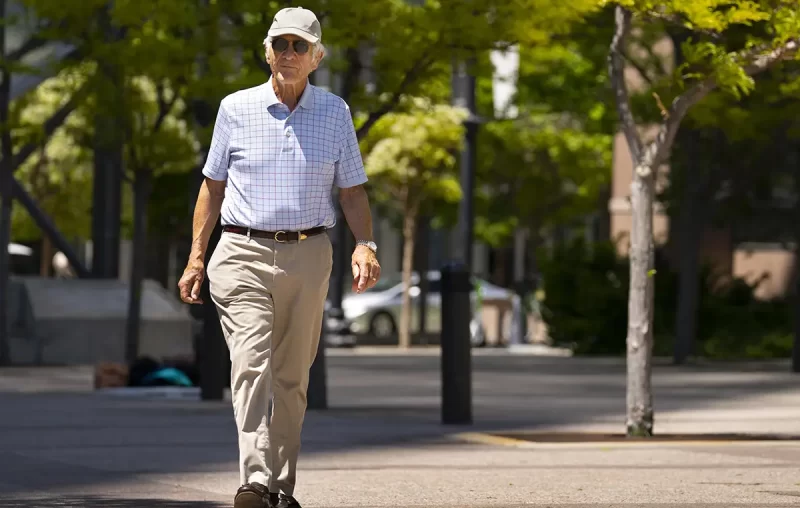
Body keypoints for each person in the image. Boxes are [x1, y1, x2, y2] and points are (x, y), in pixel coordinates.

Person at [177, 7, 381, 508]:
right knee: (250, 365)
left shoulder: (335, 113)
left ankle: (281, 488)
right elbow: (212, 186)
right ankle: (255, 479)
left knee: (292, 376)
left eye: (299, 46)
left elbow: (352, 191)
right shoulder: (235, 108)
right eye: (280, 45)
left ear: (316, 57)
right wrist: (196, 257)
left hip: (309, 254)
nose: (288, 54)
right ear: (267, 52)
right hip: (241, 251)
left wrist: (366, 244)